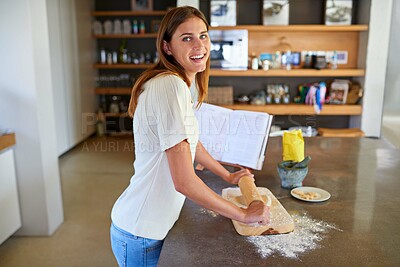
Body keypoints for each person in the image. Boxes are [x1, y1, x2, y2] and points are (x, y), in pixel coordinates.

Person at [110, 6, 270, 267]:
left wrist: (227, 175)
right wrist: (243, 214)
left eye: (203, 36)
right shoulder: (169, 85)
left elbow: (190, 142)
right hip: (141, 232)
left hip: (144, 226)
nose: (199, 45)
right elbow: (184, 181)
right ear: (167, 47)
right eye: (187, 38)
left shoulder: (180, 83)